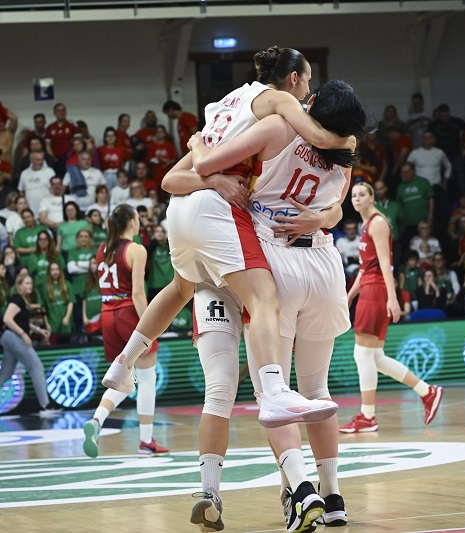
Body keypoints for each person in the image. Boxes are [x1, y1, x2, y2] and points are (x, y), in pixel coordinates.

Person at [100, 46, 348, 435]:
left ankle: (123, 363)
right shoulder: (281, 102)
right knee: (264, 298)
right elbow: (319, 134)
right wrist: (350, 141)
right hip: (218, 213)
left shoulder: (226, 104)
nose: (308, 92)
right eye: (308, 80)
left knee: (181, 287)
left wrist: (206, 161)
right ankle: (273, 389)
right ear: (294, 79)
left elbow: (170, 181)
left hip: (181, 209)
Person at [162, 77, 367, 532]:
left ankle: (302, 490)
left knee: (272, 395)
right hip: (325, 262)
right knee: (317, 390)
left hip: (275, 262)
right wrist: (325, 216)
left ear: (308, 102)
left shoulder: (276, 128)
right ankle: (333, 498)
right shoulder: (347, 149)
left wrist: (198, 142)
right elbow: (336, 210)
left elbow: (197, 166)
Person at [339, 183, 443, 434]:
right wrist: (351, 294)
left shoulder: (377, 223)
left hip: (377, 291)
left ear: (373, 197)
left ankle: (368, 416)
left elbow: (386, 264)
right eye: (353, 196)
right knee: (375, 357)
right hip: (369, 289)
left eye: (362, 194)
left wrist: (393, 297)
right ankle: (427, 391)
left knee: (362, 355)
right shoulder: (366, 225)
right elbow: (365, 267)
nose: (357, 198)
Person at [82, 204, 168, 457]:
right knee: (147, 379)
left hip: (107, 314)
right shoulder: (136, 249)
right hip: (128, 313)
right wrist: (152, 325)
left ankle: (97, 420)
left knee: (124, 377)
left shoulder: (102, 248)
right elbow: (138, 293)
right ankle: (146, 441)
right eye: (138, 218)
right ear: (132, 222)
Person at [0, 274, 62, 416]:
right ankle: (45, 406)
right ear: (19, 286)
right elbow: (7, 319)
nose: (30, 286)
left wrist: (38, 330)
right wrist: (22, 334)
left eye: (31, 283)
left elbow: (20, 321)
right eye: (27, 283)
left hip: (8, 338)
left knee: (5, 375)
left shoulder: (22, 300)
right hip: (12, 337)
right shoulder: (17, 300)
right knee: (36, 366)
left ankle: (45, 405)